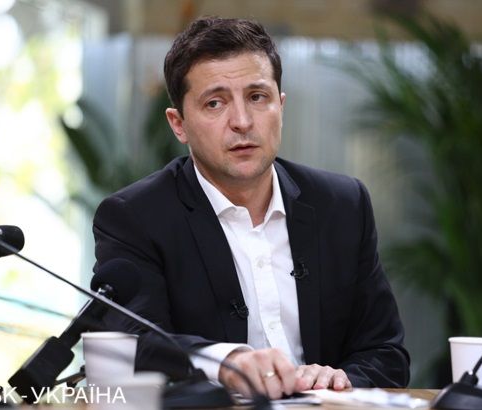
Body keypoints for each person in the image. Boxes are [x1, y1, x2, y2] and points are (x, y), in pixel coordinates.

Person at [93, 16, 410, 399]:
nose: (242, 122)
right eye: (215, 103)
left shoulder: (342, 205)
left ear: (281, 105)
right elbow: (135, 344)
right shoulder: (135, 217)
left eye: (257, 97)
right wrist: (226, 362)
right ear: (179, 124)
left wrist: (339, 380)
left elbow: (386, 353)